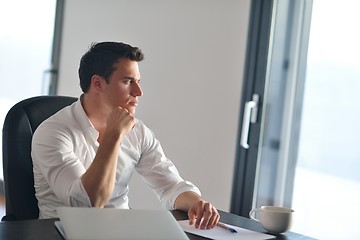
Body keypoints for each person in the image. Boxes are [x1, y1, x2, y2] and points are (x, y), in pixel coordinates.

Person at [31, 41, 220, 229]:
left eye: (138, 82)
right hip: (67, 232)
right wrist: (113, 135)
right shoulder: (52, 133)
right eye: (128, 81)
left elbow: (171, 186)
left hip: (121, 230)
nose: (139, 92)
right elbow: (88, 204)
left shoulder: (138, 131)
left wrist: (196, 202)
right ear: (97, 83)